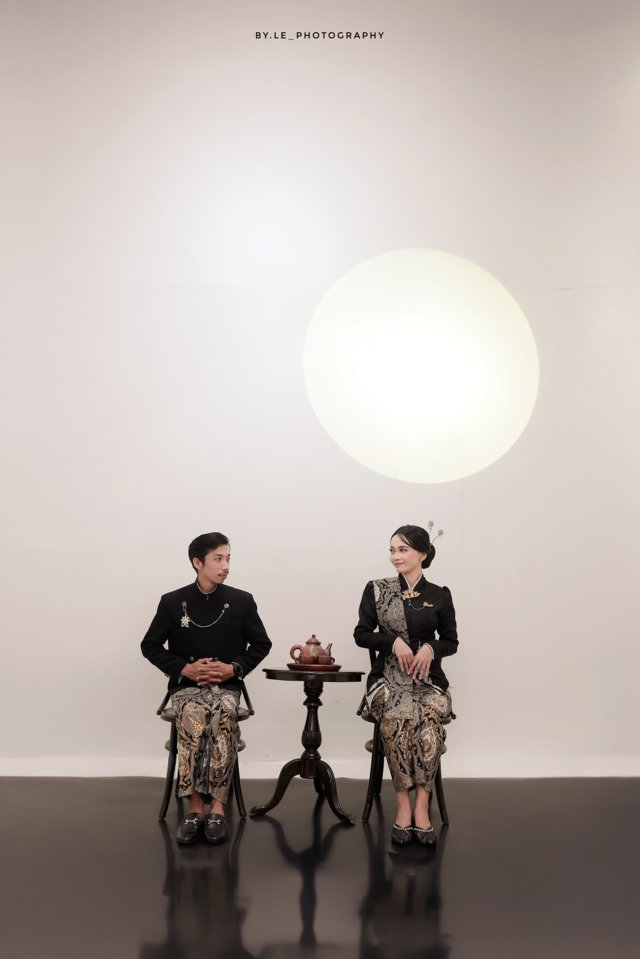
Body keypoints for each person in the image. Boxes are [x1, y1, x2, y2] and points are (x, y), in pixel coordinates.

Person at [141, 532, 271, 845]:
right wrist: (183, 668)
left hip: (226, 687)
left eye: (228, 558)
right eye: (218, 559)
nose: (225, 565)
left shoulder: (242, 600)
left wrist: (233, 668)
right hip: (187, 687)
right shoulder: (173, 602)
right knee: (194, 717)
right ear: (198, 562)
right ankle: (195, 807)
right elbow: (150, 645)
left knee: (223, 716)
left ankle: (218, 807)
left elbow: (261, 644)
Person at [354, 524, 458, 847]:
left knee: (428, 722)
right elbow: (361, 634)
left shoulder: (439, 595)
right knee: (396, 719)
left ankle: (422, 806)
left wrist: (431, 648)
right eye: (392, 550)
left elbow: (451, 641)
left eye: (403, 550)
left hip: (428, 683)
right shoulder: (377, 589)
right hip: (387, 679)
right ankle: (402, 805)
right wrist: (392, 641)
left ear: (422, 554)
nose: (395, 556)